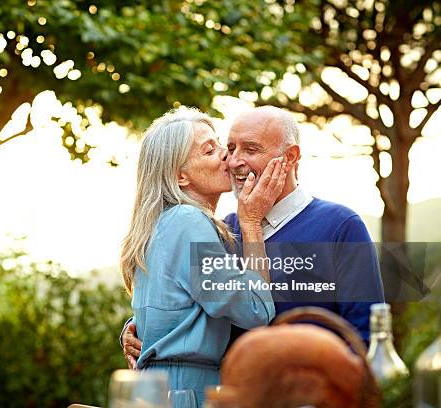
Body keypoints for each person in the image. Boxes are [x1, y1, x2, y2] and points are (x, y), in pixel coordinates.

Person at [122, 106, 384, 368]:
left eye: (250, 149)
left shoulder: (340, 226)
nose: (234, 161)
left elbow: (365, 335)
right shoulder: (223, 232)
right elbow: (186, 302)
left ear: (290, 156)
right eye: (232, 148)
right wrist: (135, 328)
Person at [120, 107, 286, 406]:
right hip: (185, 392)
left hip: (156, 389)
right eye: (210, 150)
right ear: (180, 176)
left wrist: (132, 329)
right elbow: (256, 311)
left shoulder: (164, 223)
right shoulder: (189, 222)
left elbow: (168, 307)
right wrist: (251, 224)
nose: (227, 155)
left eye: (220, 144)